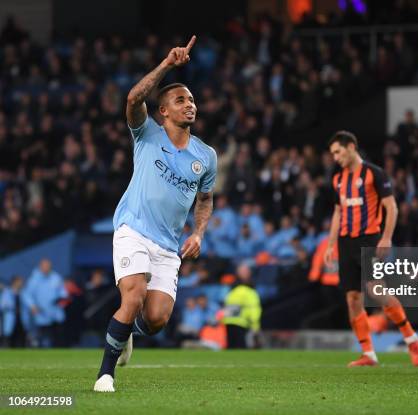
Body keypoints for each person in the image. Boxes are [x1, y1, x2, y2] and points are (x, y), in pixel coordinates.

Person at [94, 36, 217, 392]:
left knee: (158, 318)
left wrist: (199, 233)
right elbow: (133, 98)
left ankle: (128, 330)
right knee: (132, 294)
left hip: (168, 245)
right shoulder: (146, 133)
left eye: (192, 100)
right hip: (133, 228)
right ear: (163, 111)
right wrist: (166, 65)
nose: (189, 105)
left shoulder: (205, 155)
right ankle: (105, 375)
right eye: (181, 99)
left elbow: (205, 199)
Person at [324, 130, 418, 367]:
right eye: (332, 154)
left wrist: (386, 238)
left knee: (377, 290)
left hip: (369, 238)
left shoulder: (374, 174)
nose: (335, 157)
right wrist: (330, 244)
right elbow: (338, 212)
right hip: (346, 242)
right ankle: (369, 353)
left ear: (351, 147)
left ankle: (411, 339)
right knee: (352, 298)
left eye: (338, 151)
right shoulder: (338, 179)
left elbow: (392, 208)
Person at [22, 259, 68, 348]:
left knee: (57, 338)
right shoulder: (34, 279)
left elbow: (63, 292)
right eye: (45, 266)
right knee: (41, 338)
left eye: (48, 266)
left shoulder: (56, 277)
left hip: (55, 314)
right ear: (40, 266)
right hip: (40, 314)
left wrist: (62, 298)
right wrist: (32, 306)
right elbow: (26, 294)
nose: (47, 268)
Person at [221, 264, 262, 349]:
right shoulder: (249, 291)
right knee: (240, 350)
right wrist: (255, 326)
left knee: (232, 349)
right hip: (238, 323)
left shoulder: (232, 290)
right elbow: (254, 309)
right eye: (243, 271)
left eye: (246, 271)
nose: (245, 273)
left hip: (233, 322)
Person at [0, 275, 29, 347]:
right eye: (20, 282)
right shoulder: (7, 292)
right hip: (11, 319)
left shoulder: (23, 293)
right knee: (9, 339)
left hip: (21, 320)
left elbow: (30, 303)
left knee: (22, 338)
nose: (22, 283)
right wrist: (12, 307)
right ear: (14, 282)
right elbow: (2, 305)